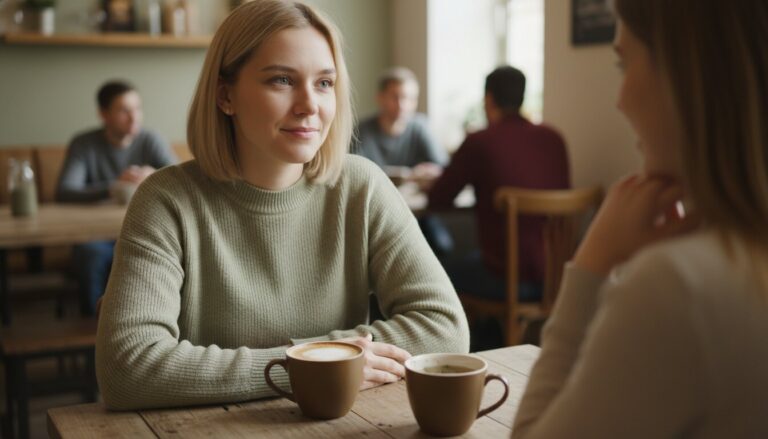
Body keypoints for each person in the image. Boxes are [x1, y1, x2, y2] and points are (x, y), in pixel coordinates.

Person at [96, 0, 469, 410]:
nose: (310, 105)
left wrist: (311, 362)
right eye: (281, 80)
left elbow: (445, 328)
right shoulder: (165, 200)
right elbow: (126, 368)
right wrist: (313, 364)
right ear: (225, 95)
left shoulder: (363, 186)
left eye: (324, 83)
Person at [512, 0, 768, 437]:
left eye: (623, 63)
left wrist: (592, 261)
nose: (620, 99)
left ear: (691, 78)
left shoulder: (677, 288)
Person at [428, 66, 570, 303]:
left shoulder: (480, 141)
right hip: (553, 276)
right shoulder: (554, 139)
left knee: (433, 274)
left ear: (488, 99)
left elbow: (438, 199)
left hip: (503, 277)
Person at [56, 80, 177, 315]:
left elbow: (182, 180)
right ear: (103, 114)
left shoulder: (150, 139)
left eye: (137, 108)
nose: (134, 118)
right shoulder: (84, 144)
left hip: (144, 231)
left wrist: (154, 176)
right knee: (91, 255)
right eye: (124, 110)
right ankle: (93, 335)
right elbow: (65, 190)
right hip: (96, 235)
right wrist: (113, 187)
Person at [354, 67, 453, 256]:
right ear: (380, 98)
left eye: (408, 98)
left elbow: (443, 167)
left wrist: (429, 172)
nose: (402, 105)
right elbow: (355, 173)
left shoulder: (420, 127)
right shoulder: (361, 131)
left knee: (443, 246)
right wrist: (409, 175)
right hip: (376, 214)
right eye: (395, 97)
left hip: (418, 214)